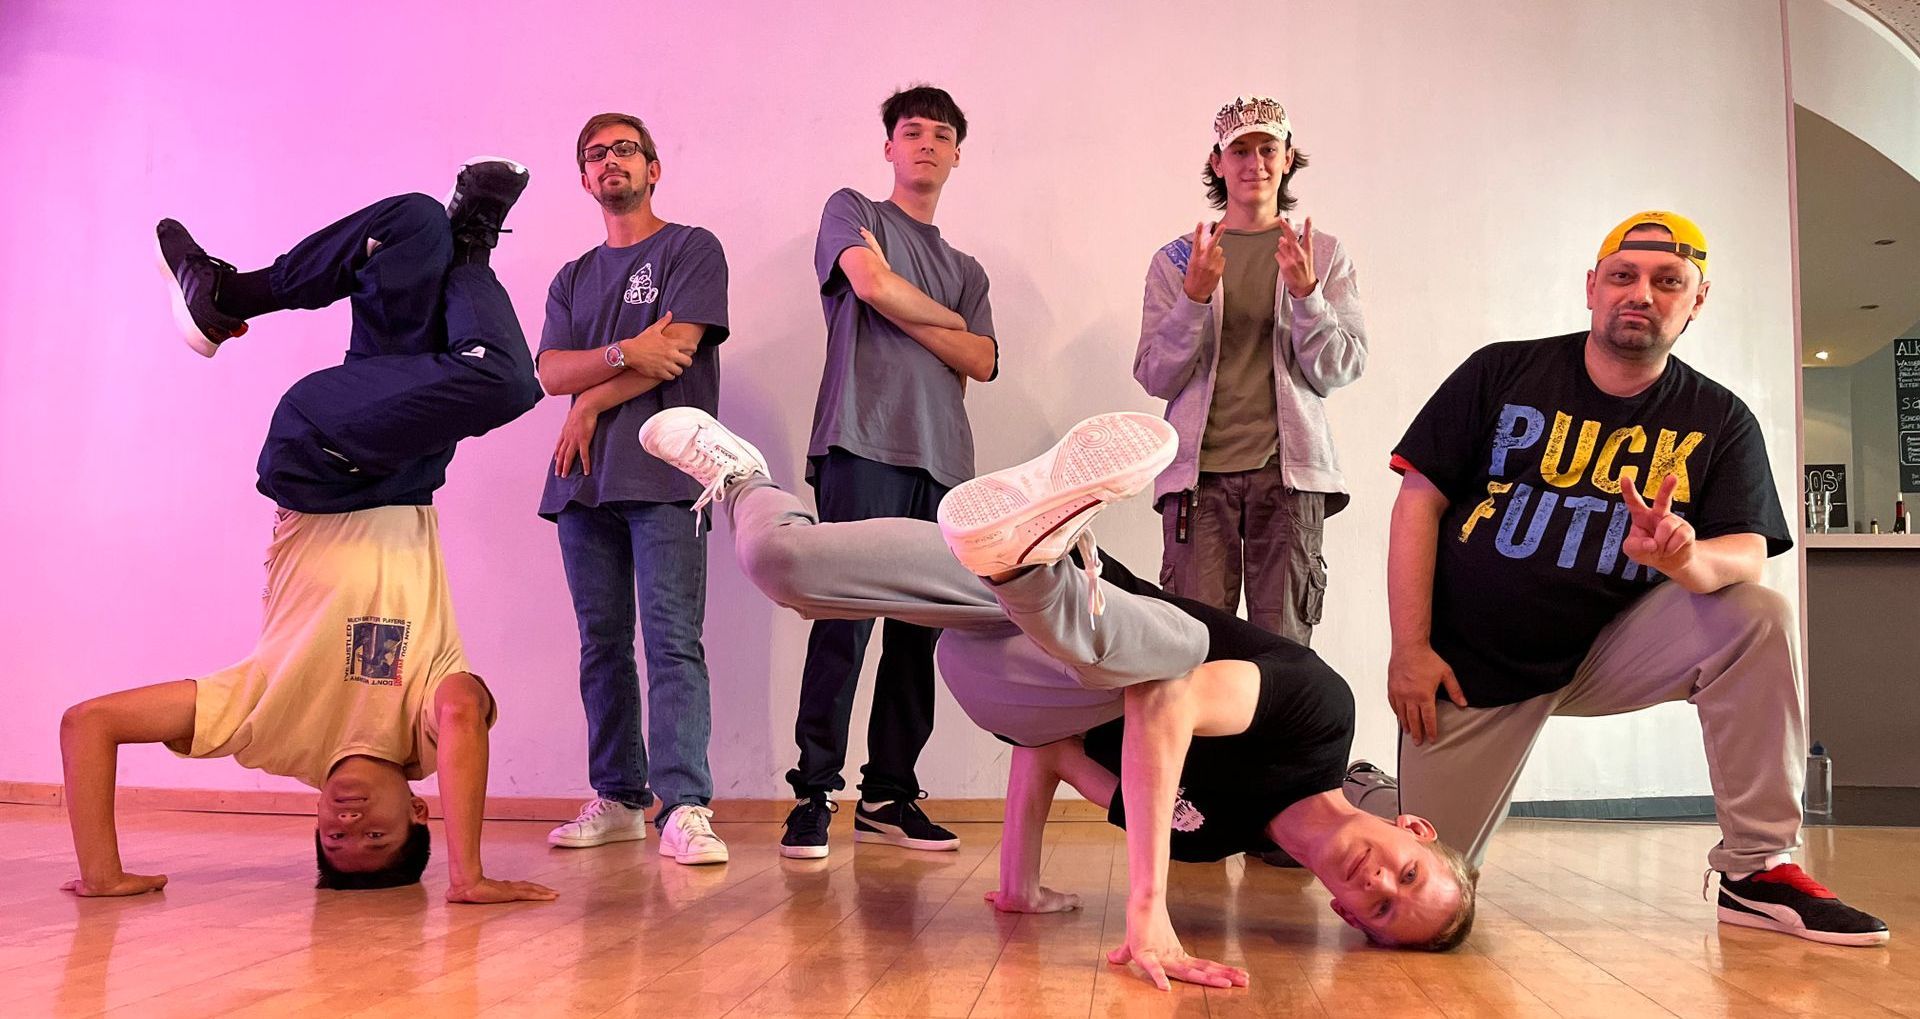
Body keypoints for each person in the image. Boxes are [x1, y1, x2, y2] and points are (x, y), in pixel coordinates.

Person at [639, 408, 1476, 990]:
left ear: (1347, 915)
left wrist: (1019, 881)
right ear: (1413, 828)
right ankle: (745, 477)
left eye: (1380, 907)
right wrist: (1145, 909)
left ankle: (1033, 553)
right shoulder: (1322, 720)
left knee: (1118, 679)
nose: (1379, 881)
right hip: (1085, 605)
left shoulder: (1205, 836)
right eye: (1407, 872)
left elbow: (1053, 751)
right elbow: (1169, 702)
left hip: (1010, 682)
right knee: (784, 567)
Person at [1379, 210, 1887, 946]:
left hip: (1610, 649)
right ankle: (1365, 790)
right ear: (1592, 286)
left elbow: (1747, 551)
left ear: (1697, 299)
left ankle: (1757, 869)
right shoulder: (1502, 371)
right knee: (1426, 901)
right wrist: (1410, 647)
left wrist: (1687, 561)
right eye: (1623, 275)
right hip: (1472, 668)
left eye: (1667, 280)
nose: (1641, 293)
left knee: (1758, 614)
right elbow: (1418, 502)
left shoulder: (1719, 417)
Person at [58, 161, 553, 904]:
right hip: (409, 467)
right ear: (420, 811)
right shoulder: (427, 727)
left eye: (333, 841)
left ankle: (462, 250)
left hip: (320, 463)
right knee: (413, 225)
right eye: (375, 837)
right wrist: (468, 873)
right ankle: (239, 293)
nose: (349, 824)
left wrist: (101, 874)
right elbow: (461, 713)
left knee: (506, 380)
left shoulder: (265, 728)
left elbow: (87, 723)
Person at [787, 84, 998, 859]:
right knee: (843, 624)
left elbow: (984, 359)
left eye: (942, 134)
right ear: (889, 147)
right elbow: (869, 284)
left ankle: (887, 794)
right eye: (913, 132)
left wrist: (916, 311)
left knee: (917, 639)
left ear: (956, 154)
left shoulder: (967, 268)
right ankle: (813, 792)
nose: (927, 143)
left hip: (946, 464)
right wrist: (945, 321)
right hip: (860, 441)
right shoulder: (854, 212)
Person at [535, 112, 732, 866]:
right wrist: (622, 354)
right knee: (603, 646)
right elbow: (549, 372)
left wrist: (589, 400)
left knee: (673, 642)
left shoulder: (691, 248)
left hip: (668, 476)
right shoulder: (571, 277)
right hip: (580, 483)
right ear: (584, 178)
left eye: (624, 148)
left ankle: (684, 807)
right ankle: (619, 798)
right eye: (595, 154)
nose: (609, 160)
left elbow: (676, 351)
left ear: (653, 167)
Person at [1134, 96, 1366, 644]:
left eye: (1267, 149)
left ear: (1287, 158)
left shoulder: (1321, 253)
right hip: (1198, 482)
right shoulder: (1179, 259)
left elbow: (1340, 367)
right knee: (1194, 652)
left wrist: (1307, 295)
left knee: (1283, 657)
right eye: (1239, 150)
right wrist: (1193, 298)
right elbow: (1155, 376)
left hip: (1289, 479)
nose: (1254, 163)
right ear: (1217, 162)